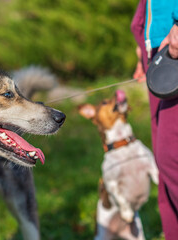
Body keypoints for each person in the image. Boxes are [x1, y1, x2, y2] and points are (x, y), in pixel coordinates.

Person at [131, 1, 178, 239]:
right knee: (165, 171)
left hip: (173, 42)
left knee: (172, 160)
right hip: (160, 47)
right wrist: (143, 35)